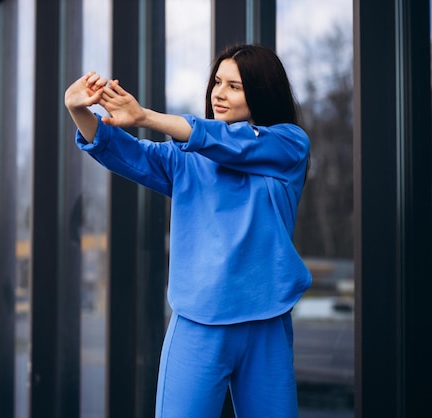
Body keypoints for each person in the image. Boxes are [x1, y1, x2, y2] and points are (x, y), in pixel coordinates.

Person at [64, 44, 311, 418]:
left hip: (267, 325)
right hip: (198, 327)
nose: (219, 93)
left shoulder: (289, 145)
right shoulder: (186, 160)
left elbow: (231, 143)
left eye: (234, 86)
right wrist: (79, 109)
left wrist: (144, 115)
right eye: (217, 82)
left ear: (261, 92)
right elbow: (126, 152)